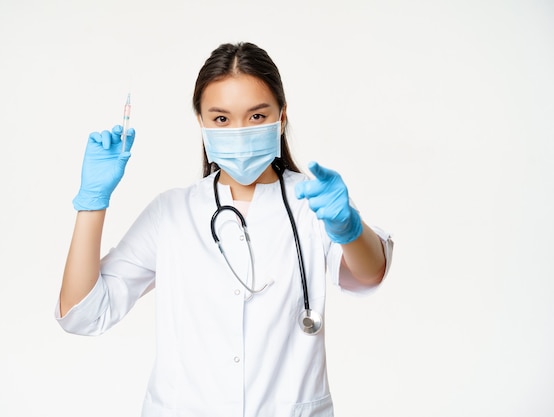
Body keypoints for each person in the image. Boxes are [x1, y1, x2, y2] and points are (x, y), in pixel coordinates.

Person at [56, 41, 393, 417]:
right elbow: (82, 313)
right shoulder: (171, 213)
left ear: (281, 117)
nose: (239, 131)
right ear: (201, 122)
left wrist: (347, 227)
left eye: (256, 116)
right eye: (221, 119)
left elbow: (369, 274)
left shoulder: (314, 200)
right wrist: (92, 203)